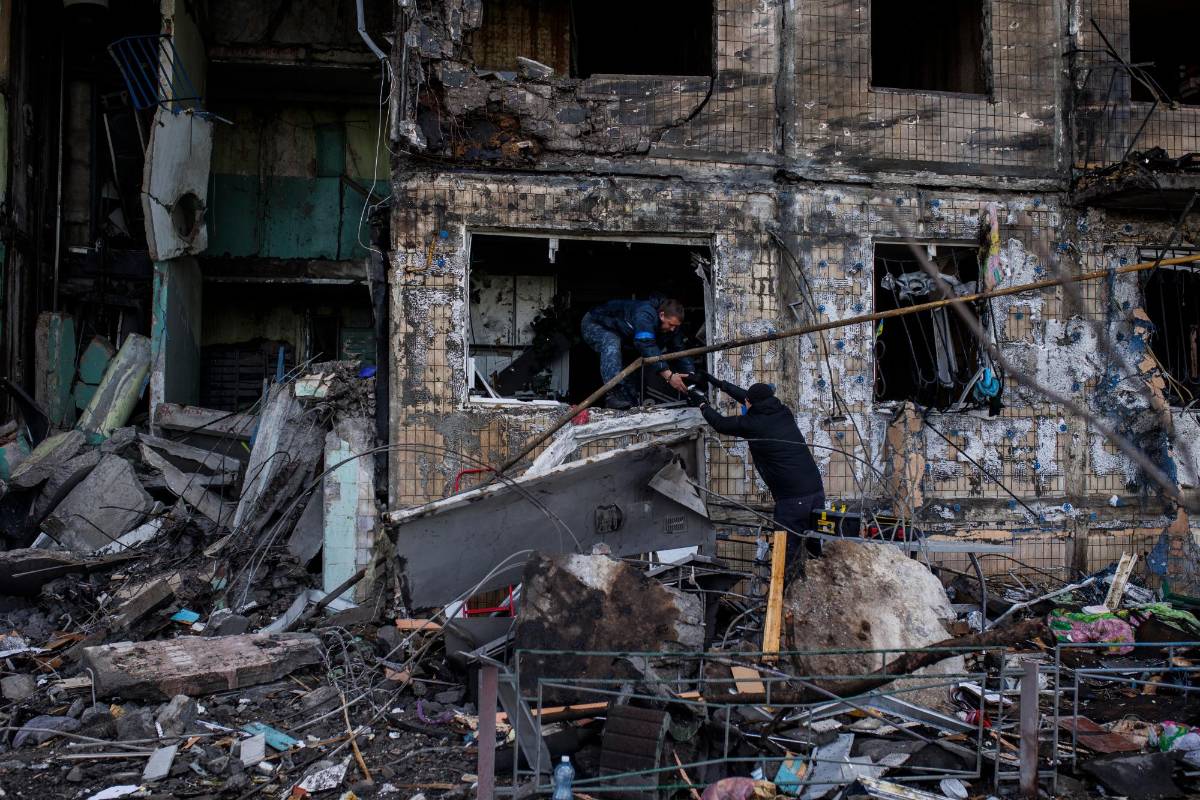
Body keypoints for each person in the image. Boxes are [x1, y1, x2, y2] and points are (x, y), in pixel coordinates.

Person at [687, 374, 825, 575]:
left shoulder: (753, 425)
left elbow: (720, 424)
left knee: (785, 554)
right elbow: (747, 397)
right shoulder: (782, 411)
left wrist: (702, 405)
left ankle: (783, 599)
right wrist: (713, 381)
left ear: (751, 404)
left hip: (793, 501)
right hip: (816, 492)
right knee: (815, 550)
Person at [581, 297, 695, 409]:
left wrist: (691, 376)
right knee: (612, 342)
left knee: (631, 368)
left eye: (676, 326)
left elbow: (680, 351)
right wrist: (669, 376)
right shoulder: (644, 314)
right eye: (670, 325)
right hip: (595, 322)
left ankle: (629, 403)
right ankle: (613, 394)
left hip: (623, 334)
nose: (672, 330)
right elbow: (645, 343)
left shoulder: (673, 328)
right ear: (661, 315)